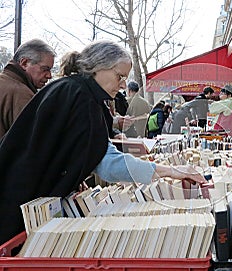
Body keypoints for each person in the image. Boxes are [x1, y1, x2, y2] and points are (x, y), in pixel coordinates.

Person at [0, 40, 206, 245]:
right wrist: (170, 171)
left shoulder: (75, 91)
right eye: (120, 76)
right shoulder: (79, 97)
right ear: (99, 68)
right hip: (16, 204)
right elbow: (107, 163)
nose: (124, 84)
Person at [0, 39, 56, 138]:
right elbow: (34, 143)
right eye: (45, 69)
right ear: (24, 63)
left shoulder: (4, 83)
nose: (49, 76)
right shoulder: (21, 94)